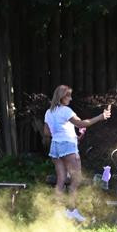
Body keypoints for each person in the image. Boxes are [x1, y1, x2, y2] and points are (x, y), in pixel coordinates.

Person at [43, 85, 111, 223]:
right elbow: (82, 124)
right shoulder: (66, 111)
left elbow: (46, 132)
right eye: (68, 96)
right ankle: (72, 210)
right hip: (67, 146)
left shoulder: (49, 112)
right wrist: (101, 116)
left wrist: (70, 135)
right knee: (76, 178)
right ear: (62, 97)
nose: (71, 98)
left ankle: (58, 211)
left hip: (55, 146)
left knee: (61, 179)